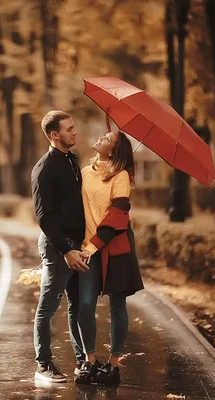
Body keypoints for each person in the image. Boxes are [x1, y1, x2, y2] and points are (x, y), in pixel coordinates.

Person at [73, 129, 144, 386]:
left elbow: (116, 218)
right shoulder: (85, 171)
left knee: (117, 305)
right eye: (103, 135)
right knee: (86, 303)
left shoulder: (122, 176)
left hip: (115, 247)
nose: (101, 138)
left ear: (113, 151)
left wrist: (92, 247)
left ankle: (113, 364)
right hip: (86, 246)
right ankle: (89, 361)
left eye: (107, 138)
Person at [31, 110, 91, 383]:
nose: (74, 132)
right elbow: (44, 216)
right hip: (58, 249)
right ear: (54, 135)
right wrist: (66, 250)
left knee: (78, 306)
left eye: (74, 127)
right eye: (69, 129)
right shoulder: (45, 168)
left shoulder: (71, 161)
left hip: (78, 247)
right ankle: (43, 365)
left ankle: (83, 361)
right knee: (48, 306)